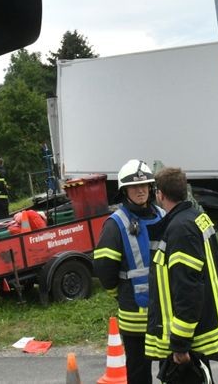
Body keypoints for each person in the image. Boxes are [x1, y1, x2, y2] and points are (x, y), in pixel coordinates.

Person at [145, 167, 218, 383]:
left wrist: (180, 343)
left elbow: (187, 288)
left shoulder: (180, 229)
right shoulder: (196, 217)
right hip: (198, 330)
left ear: (160, 194)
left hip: (187, 338)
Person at [94, 160, 166, 384]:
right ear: (124, 191)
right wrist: (121, 294)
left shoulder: (164, 215)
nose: (141, 190)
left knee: (173, 372)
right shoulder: (115, 224)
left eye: (145, 184)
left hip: (166, 314)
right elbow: (105, 272)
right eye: (135, 187)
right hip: (135, 318)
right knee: (138, 375)